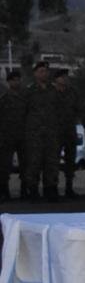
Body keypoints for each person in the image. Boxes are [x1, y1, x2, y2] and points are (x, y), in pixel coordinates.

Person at [23, 61, 60, 201]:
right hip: (34, 133)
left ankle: (50, 190)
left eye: (45, 71)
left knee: (51, 163)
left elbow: (59, 111)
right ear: (35, 73)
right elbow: (23, 112)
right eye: (40, 71)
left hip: (51, 133)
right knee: (34, 162)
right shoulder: (29, 91)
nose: (43, 73)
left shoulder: (53, 90)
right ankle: (33, 191)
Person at [0, 70, 26, 200]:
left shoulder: (25, 97)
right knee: (5, 165)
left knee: (25, 164)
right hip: (7, 136)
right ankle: (4, 191)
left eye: (18, 79)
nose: (17, 82)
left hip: (23, 135)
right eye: (14, 80)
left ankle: (24, 190)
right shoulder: (4, 98)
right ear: (9, 82)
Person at [53, 69, 80, 198]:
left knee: (70, 162)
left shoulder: (73, 93)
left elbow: (78, 110)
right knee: (53, 162)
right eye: (62, 77)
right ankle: (53, 188)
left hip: (69, 131)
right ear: (56, 79)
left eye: (66, 77)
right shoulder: (51, 93)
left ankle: (69, 187)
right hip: (55, 132)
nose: (65, 79)